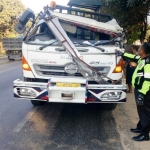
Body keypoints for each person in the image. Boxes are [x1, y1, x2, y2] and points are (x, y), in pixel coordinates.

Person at [116, 42, 150, 141]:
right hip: (139, 89)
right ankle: (140, 127)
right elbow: (132, 57)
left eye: (139, 48)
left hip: (144, 92)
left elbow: (148, 80)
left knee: (145, 112)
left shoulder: (148, 63)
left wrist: (142, 94)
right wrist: (121, 53)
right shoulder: (141, 59)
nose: (138, 50)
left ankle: (145, 134)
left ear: (142, 51)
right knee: (141, 111)